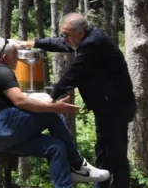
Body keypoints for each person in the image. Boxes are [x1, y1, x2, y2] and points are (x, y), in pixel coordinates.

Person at [0, 38, 110, 188]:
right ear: (5, 57)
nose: (18, 59)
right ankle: (78, 164)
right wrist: (55, 107)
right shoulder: (2, 70)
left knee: (56, 147)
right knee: (52, 115)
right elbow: (19, 100)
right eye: (16, 55)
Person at [15, 13, 136, 188]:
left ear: (80, 33)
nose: (63, 38)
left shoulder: (93, 43)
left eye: (66, 35)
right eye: (62, 34)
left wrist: (51, 96)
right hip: (105, 105)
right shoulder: (83, 37)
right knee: (103, 150)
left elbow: (75, 73)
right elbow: (60, 43)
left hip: (116, 106)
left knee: (116, 154)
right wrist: (34, 43)